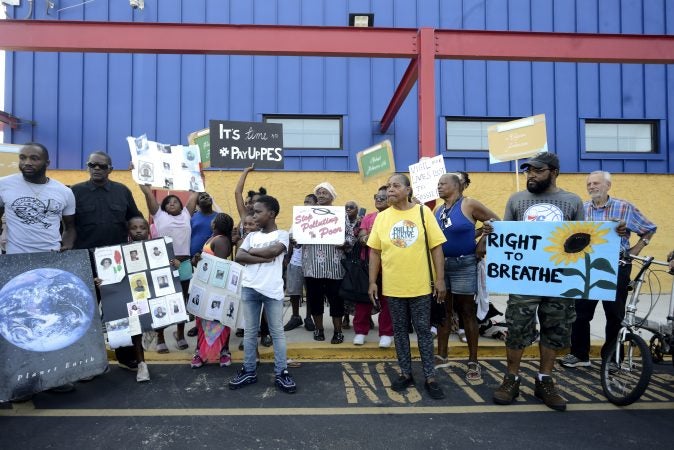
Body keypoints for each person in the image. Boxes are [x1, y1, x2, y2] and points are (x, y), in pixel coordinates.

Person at [489, 152, 584, 412]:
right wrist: (493, 233)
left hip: (559, 280)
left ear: (554, 172)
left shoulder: (573, 201)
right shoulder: (517, 199)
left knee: (555, 330)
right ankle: (511, 379)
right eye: (528, 171)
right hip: (525, 279)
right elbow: (506, 237)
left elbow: (584, 239)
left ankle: (545, 381)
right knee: (517, 328)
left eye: (538, 171)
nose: (531, 175)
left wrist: (613, 232)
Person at [0, 142, 77, 394]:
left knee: (49, 322)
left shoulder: (63, 192)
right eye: (23, 158)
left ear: (47, 163)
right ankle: (19, 382)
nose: (27, 163)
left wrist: (66, 247)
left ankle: (52, 377)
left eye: (34, 158)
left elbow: (70, 228)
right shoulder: (5, 185)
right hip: (16, 264)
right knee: (18, 324)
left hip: (50, 266)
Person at [559, 171, 657, 368]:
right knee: (581, 312)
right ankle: (580, 355)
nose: (592, 187)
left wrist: (635, 249)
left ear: (608, 186)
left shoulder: (624, 207)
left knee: (614, 314)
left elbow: (649, 228)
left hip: (617, 266)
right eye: (589, 184)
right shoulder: (582, 208)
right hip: (587, 267)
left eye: (596, 183)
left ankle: (612, 359)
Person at [367, 173, 447, 400]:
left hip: (421, 286)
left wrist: (439, 279)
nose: (390, 190)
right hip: (393, 288)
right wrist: (372, 281)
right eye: (388, 186)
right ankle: (405, 373)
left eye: (395, 186)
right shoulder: (382, 218)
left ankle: (430, 376)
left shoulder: (423, 213)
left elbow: (437, 248)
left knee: (423, 332)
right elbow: (374, 251)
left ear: (408, 189)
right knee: (400, 332)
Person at [434, 173, 500, 381]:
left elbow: (496, 221)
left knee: (467, 312)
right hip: (442, 266)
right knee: (443, 311)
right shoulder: (438, 210)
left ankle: (473, 360)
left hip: (465, 265)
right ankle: (442, 355)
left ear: (457, 185)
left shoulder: (469, 204)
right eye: (438, 184)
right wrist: (479, 233)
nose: (439, 186)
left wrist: (483, 240)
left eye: (443, 183)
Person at [229, 195, 296, 393]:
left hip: (272, 290)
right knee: (250, 332)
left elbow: (273, 252)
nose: (254, 215)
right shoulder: (251, 236)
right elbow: (240, 256)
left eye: (258, 212)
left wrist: (257, 255)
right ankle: (249, 370)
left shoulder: (282, 235)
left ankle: (281, 371)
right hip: (249, 287)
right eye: (253, 212)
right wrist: (263, 258)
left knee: (277, 333)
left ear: (272, 214)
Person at [138, 183, 198, 353]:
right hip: (164, 265)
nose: (172, 203)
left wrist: (196, 177)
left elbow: (195, 193)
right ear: (163, 206)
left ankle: (180, 334)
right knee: (162, 302)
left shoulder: (187, 214)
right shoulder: (159, 215)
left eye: (176, 201)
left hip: (184, 264)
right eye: (168, 201)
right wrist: (142, 180)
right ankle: (161, 337)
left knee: (182, 301)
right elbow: (147, 194)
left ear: (181, 205)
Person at [97, 216, 152, 382]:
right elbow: (114, 272)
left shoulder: (155, 248)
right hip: (131, 296)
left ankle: (149, 334)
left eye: (142, 227)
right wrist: (103, 280)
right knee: (135, 330)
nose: (138, 230)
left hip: (149, 295)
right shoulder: (118, 252)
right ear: (128, 231)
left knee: (148, 328)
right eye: (134, 228)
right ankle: (142, 365)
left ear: (148, 230)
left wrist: (174, 263)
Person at [302, 182, 347, 344]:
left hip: (334, 266)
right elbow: (296, 238)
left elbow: (350, 237)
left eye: (324, 192)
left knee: (336, 300)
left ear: (332, 196)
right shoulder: (306, 214)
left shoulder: (340, 215)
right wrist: (296, 239)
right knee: (315, 300)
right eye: (319, 192)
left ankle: (338, 331)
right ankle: (319, 329)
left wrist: (344, 242)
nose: (320, 195)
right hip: (312, 266)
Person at [191, 213, 236, 369]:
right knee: (202, 321)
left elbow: (220, 269)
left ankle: (224, 352)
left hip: (215, 289)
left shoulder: (222, 241)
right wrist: (198, 260)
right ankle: (201, 353)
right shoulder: (212, 238)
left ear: (215, 224)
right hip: (204, 287)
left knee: (220, 320)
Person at [353, 186, 394, 347]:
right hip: (367, 265)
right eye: (376, 196)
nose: (378, 199)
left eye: (383, 197)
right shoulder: (369, 217)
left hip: (390, 266)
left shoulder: (395, 217)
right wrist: (375, 236)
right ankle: (360, 331)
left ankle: (386, 333)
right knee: (363, 301)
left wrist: (372, 237)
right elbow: (362, 238)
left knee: (388, 301)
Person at [284, 193, 318, 332]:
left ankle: (309, 317)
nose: (306, 204)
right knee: (294, 291)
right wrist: (288, 257)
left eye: (309, 201)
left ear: (315, 204)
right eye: (304, 201)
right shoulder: (299, 218)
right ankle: (295, 316)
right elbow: (291, 239)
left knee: (310, 291)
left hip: (312, 261)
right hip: (296, 261)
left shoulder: (321, 219)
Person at [342, 200, 361, 330]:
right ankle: (346, 317)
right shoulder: (340, 221)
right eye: (346, 207)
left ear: (357, 209)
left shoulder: (362, 221)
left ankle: (365, 317)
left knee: (360, 289)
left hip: (359, 259)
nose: (348, 209)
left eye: (351, 207)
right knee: (345, 290)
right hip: (345, 259)